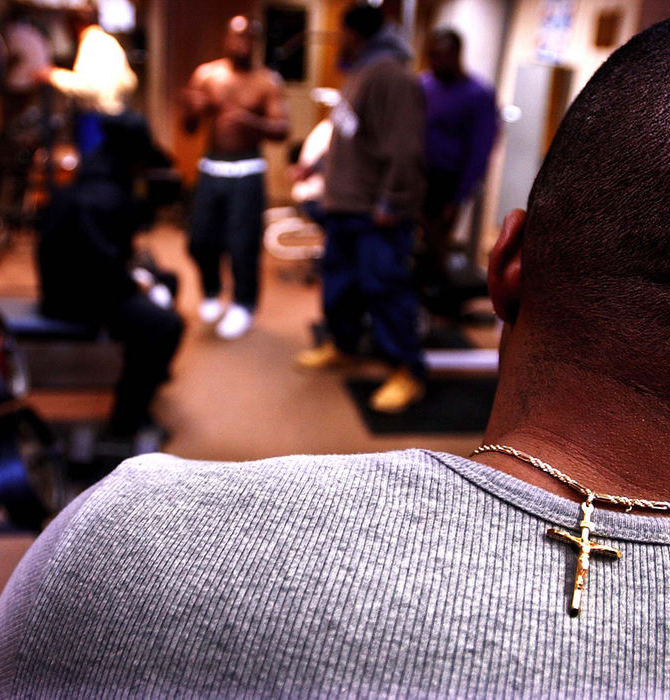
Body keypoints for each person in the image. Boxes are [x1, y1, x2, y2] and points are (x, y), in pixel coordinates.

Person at [0, 4, 670, 696]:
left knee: (382, 302)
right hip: (310, 200)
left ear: (503, 267)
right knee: (341, 298)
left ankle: (397, 366)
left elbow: (404, 154)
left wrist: (395, 202)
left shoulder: (119, 547)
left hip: (324, 198)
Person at [295, 4, 427, 414]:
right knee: (340, 284)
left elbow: (405, 147)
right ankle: (344, 344)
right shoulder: (361, 73)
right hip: (344, 206)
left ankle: (407, 371)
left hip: (375, 212)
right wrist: (318, 168)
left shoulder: (392, 76)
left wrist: (394, 201)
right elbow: (349, 137)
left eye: (343, 33)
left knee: (384, 288)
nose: (340, 41)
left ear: (357, 34)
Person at [37, 114, 184, 445]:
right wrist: (139, 285)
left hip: (86, 281)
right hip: (73, 297)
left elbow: (108, 256)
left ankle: (147, 373)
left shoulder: (97, 172)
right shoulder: (105, 195)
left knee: (168, 280)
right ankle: (125, 422)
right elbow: (104, 271)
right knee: (164, 325)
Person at [183, 15, 290, 340]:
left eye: (248, 38)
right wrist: (194, 109)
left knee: (243, 245)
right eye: (236, 37)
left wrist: (249, 122)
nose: (241, 44)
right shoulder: (207, 75)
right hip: (212, 167)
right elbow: (188, 128)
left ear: (255, 43)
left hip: (247, 170)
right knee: (200, 239)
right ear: (226, 39)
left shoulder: (267, 81)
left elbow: (283, 129)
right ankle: (213, 289)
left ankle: (244, 303)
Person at [417, 28, 499, 311]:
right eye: (433, 56)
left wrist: (458, 195)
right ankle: (418, 303)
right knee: (416, 241)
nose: (438, 62)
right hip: (416, 175)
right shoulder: (423, 86)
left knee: (436, 241)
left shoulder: (477, 94)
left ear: (456, 55)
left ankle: (437, 307)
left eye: (444, 56)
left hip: (447, 180)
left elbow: (481, 147)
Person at [35, 4, 138, 154]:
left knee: (94, 171)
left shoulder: (89, 43)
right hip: (117, 118)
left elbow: (88, 87)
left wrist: (53, 75)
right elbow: (130, 82)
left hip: (96, 122)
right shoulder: (110, 41)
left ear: (75, 25)